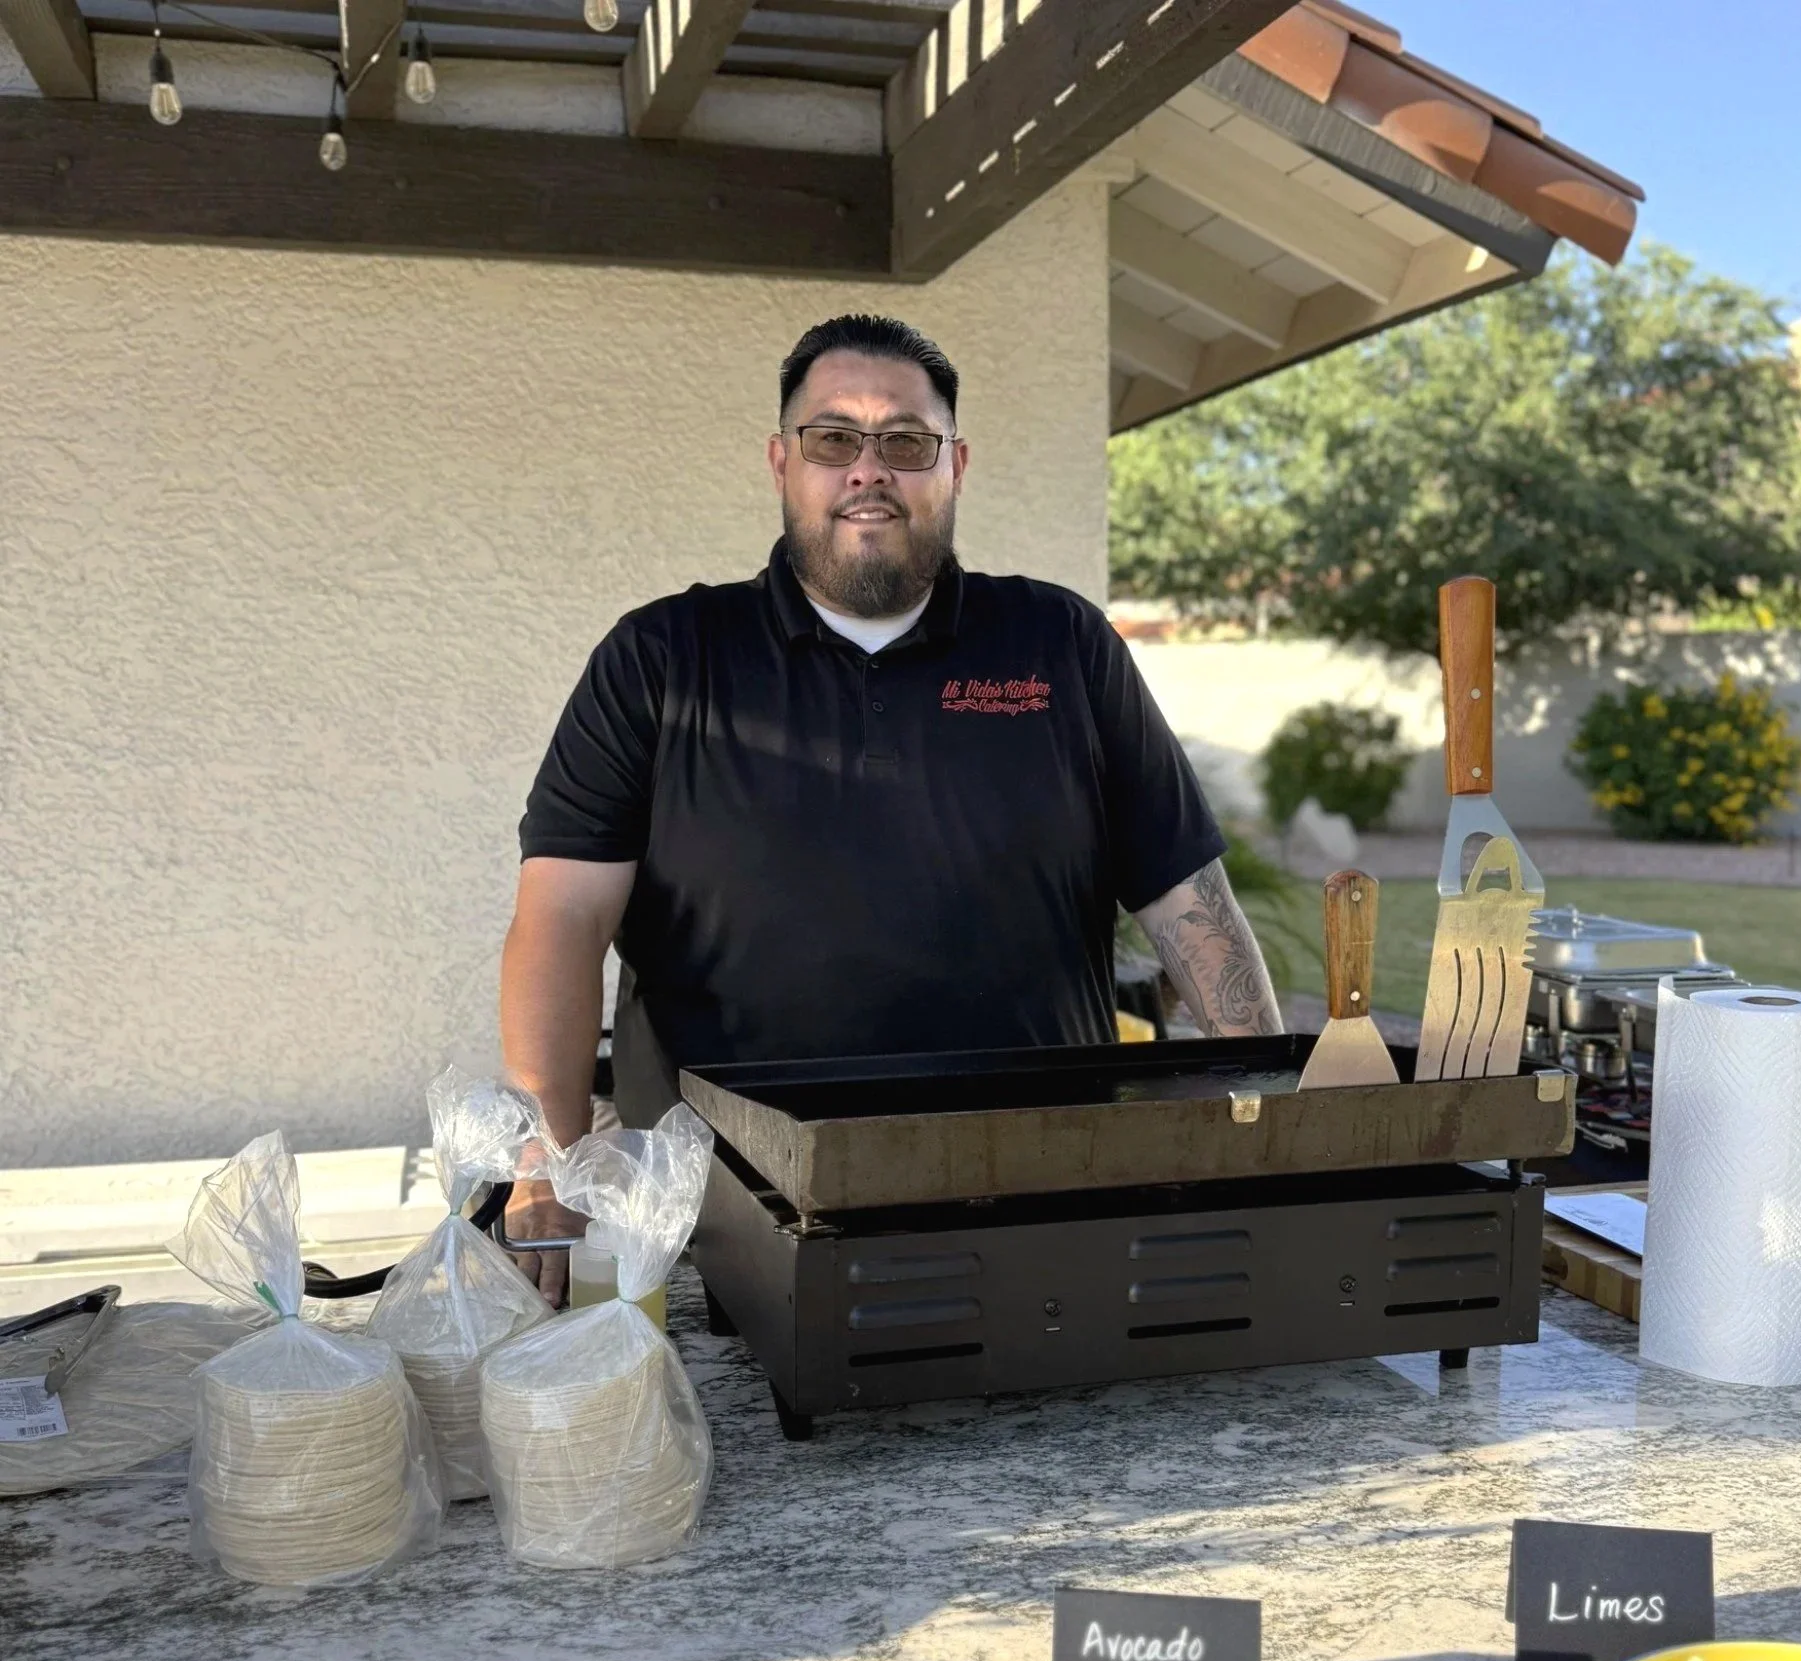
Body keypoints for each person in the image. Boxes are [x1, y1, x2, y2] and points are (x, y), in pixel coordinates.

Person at [501, 313, 1281, 1303]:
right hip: (722, 1226)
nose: (869, 468)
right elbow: (561, 920)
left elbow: (1186, 898)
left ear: (952, 464)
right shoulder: (660, 661)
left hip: (1040, 1204)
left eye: (904, 442)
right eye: (834, 439)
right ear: (782, 462)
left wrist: (1268, 1107)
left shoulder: (1060, 646)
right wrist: (547, 1160)